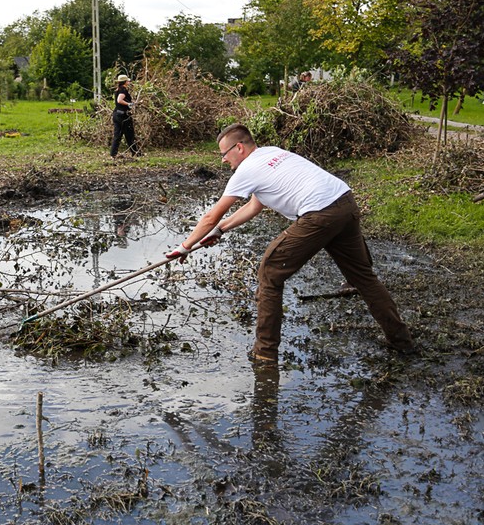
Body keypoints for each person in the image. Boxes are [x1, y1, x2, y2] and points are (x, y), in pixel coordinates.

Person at [165, 123, 414, 363]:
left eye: (224, 154)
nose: (223, 160)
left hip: (319, 213)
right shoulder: (272, 153)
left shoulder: (246, 169)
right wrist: (220, 230)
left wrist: (185, 246)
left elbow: (211, 215)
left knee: (270, 271)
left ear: (239, 148)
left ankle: (264, 353)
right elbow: (254, 205)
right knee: (363, 277)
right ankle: (401, 341)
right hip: (344, 202)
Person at [109, 74, 139, 158]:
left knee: (117, 135)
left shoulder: (118, 89)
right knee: (130, 135)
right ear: (125, 82)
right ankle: (135, 153)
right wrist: (130, 104)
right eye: (128, 81)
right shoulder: (123, 90)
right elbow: (119, 100)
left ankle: (113, 154)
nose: (129, 82)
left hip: (116, 114)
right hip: (123, 116)